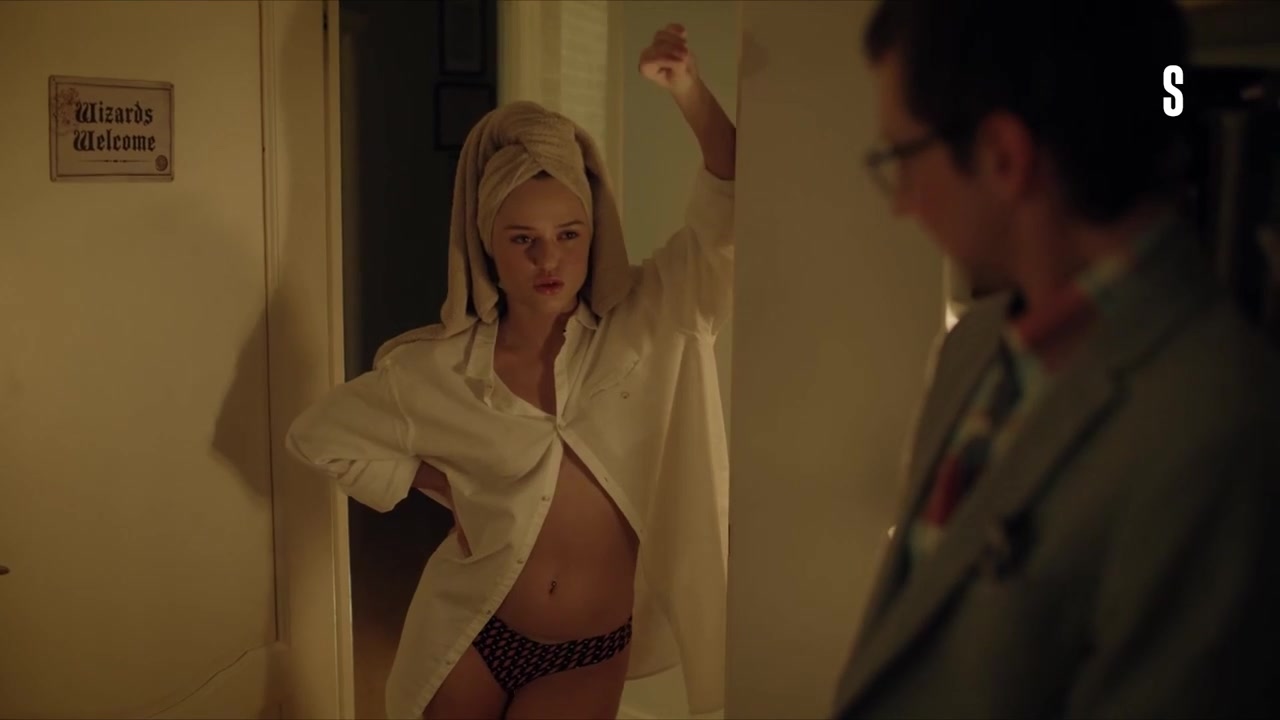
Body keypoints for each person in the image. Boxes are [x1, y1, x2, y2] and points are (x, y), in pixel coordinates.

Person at [834, 1, 1280, 718]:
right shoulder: (975, 348)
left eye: (903, 159)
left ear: (1003, 157)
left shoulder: (1219, 425)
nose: (902, 204)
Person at [287, 23, 735, 720]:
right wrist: (445, 484)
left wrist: (689, 90)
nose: (548, 260)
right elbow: (318, 435)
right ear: (487, 245)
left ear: (593, 232)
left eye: (568, 235)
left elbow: (731, 206)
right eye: (522, 239)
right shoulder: (439, 368)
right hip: (470, 629)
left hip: (588, 652)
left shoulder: (657, 316)